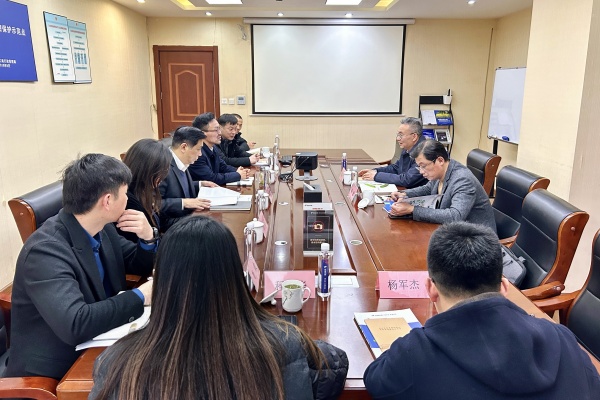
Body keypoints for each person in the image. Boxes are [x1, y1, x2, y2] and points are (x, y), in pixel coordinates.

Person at [89, 216, 349, 400]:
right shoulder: (286, 344)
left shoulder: (117, 363)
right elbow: (335, 365)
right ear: (233, 275)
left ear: (163, 281)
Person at [364, 222, 600, 399]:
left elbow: (375, 380)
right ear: (504, 287)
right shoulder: (562, 338)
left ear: (431, 289)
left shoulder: (413, 353)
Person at [5, 154, 155, 380]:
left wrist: (148, 237)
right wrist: (140, 296)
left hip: (102, 340)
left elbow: (137, 263)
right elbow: (75, 323)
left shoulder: (101, 227)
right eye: (125, 193)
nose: (128, 199)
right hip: (56, 370)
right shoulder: (44, 251)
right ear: (107, 201)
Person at [389, 140, 496, 231]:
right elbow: (428, 189)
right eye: (419, 167)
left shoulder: (462, 179)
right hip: (454, 231)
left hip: (477, 238)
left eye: (423, 166)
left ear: (440, 160)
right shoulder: (443, 169)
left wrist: (412, 209)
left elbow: (455, 216)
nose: (421, 171)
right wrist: (404, 194)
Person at [159, 125, 213, 231]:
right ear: (184, 147)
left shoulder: (182, 161)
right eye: (198, 149)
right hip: (172, 223)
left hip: (188, 216)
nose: (200, 154)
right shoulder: (163, 167)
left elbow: (177, 186)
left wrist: (200, 184)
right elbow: (154, 203)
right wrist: (184, 203)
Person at [119, 138, 171, 242]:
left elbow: (161, 220)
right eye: (163, 171)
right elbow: (138, 243)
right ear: (148, 171)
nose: (164, 176)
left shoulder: (143, 190)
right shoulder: (129, 201)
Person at [358, 117, 427, 188]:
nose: (398, 138)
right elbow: (396, 168)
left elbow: (407, 180)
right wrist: (375, 171)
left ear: (414, 137)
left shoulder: (424, 152)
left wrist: (376, 176)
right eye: (398, 135)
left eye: (401, 135)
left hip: (416, 192)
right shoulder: (408, 147)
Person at [188, 112, 250, 185]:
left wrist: (238, 171)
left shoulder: (213, 147)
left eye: (219, 129)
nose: (220, 133)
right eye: (216, 130)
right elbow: (211, 178)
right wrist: (237, 175)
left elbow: (223, 166)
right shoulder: (197, 153)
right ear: (202, 133)